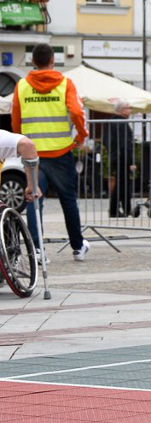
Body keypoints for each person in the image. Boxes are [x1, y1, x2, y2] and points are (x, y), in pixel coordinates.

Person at [13, 43, 90, 261]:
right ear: (52, 60)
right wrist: (81, 136)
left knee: (34, 200)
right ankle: (77, 247)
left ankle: (36, 250)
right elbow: (77, 111)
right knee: (68, 200)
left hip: (32, 153)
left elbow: (16, 119)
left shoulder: (22, 86)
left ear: (33, 61)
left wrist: (22, 141)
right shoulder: (65, 84)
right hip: (60, 151)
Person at [105, 100, 136, 219]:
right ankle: (117, 209)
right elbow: (125, 144)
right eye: (129, 108)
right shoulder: (122, 123)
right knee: (122, 184)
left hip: (115, 156)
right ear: (122, 110)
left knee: (121, 184)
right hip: (122, 157)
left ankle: (124, 209)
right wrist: (130, 161)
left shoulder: (111, 122)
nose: (130, 110)